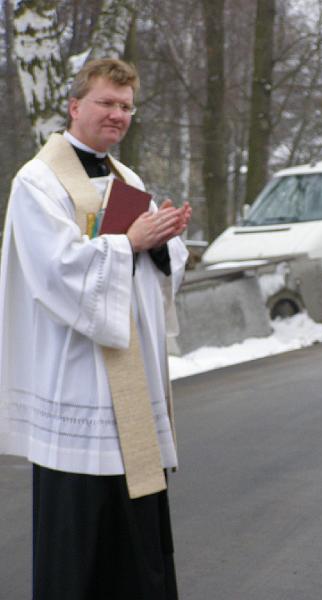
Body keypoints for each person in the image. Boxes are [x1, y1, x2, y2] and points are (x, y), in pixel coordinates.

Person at [0, 58, 191, 598]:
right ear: (75, 105)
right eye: (107, 103)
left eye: (126, 106)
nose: (118, 115)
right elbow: (55, 270)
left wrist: (165, 240)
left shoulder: (127, 178)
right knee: (78, 534)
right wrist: (129, 243)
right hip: (78, 376)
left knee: (136, 536)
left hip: (130, 384)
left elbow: (153, 268)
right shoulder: (37, 180)